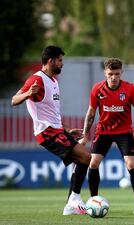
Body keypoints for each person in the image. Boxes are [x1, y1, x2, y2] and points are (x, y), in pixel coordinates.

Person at [11, 46, 91, 215]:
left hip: (56, 131)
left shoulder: (53, 81)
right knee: (85, 156)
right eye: (60, 60)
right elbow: (14, 100)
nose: (62, 64)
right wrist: (27, 94)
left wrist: (67, 130)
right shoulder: (37, 79)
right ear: (50, 61)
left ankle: (71, 205)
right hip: (46, 132)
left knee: (81, 160)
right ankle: (74, 200)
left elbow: (52, 114)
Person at [79, 58, 134, 214]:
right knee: (93, 163)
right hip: (103, 131)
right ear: (105, 72)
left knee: (131, 164)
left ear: (121, 73)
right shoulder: (97, 89)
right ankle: (94, 201)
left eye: (117, 74)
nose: (113, 77)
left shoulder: (130, 89)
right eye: (110, 74)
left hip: (124, 132)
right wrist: (85, 135)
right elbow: (91, 113)